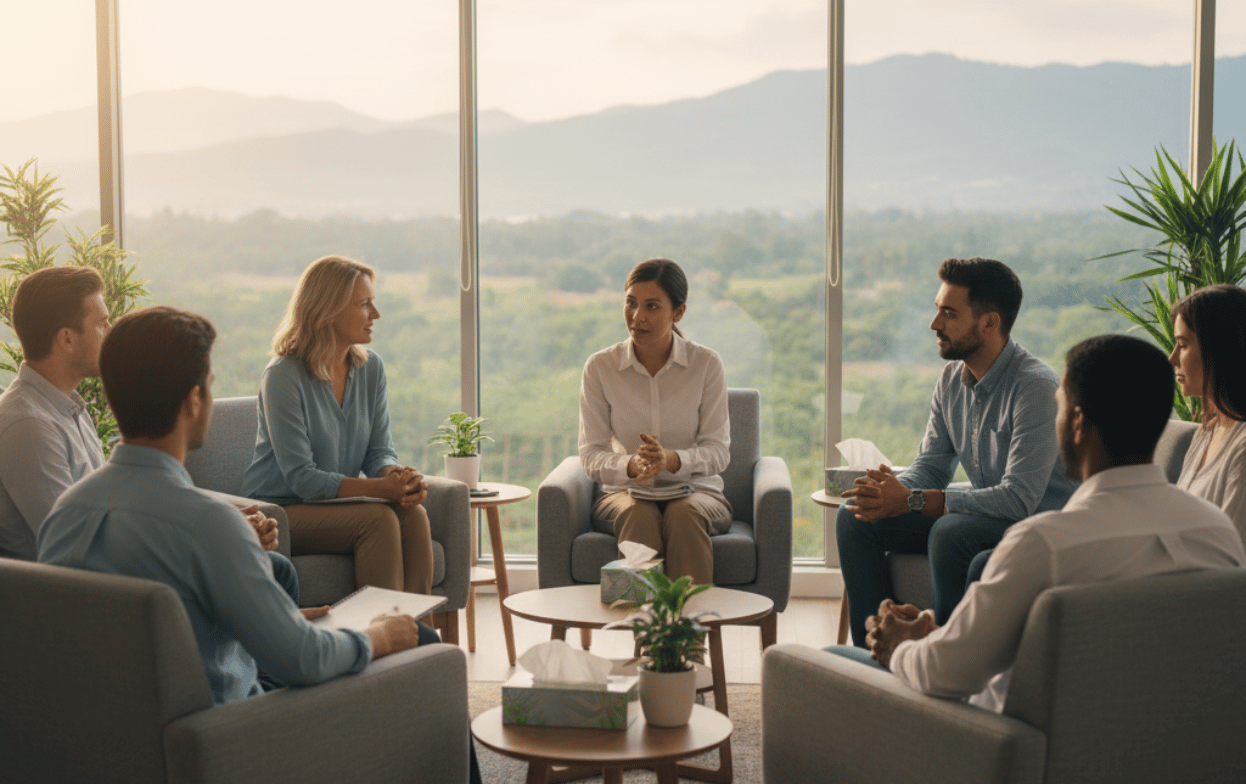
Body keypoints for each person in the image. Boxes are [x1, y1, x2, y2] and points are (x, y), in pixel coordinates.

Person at [36, 306, 433, 703]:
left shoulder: (66, 514)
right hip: (231, 732)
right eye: (210, 384)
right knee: (421, 640)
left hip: (129, 728)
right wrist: (377, 636)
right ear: (194, 401)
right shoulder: (208, 524)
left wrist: (286, 623)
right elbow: (303, 662)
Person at [837, 334, 1245, 711]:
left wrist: (901, 646)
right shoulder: (1218, 534)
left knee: (833, 662)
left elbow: (946, 677)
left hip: (1001, 746)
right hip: (1164, 745)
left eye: (1059, 404)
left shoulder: (1045, 547)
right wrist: (936, 639)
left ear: (1079, 423)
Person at [0, 267, 299, 601]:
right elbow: (76, 548)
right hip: (76, 599)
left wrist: (220, 524)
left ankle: (271, 640)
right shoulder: (27, 426)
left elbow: (115, 508)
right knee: (275, 571)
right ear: (67, 339)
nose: (111, 333)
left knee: (271, 567)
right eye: (102, 323)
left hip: (114, 576)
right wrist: (207, 540)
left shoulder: (66, 408)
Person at [836, 257, 1076, 646]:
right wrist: (888, 491)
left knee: (951, 532)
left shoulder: (1035, 389)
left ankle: (939, 658)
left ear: (989, 322)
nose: (935, 324)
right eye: (937, 310)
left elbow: (1018, 500)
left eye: (949, 313)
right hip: (985, 513)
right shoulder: (951, 378)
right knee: (855, 517)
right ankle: (876, 654)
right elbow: (931, 467)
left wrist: (912, 500)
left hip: (1036, 524)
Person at [241, 255, 435, 596]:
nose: (376, 315)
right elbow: (302, 479)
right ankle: (381, 637)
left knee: (413, 514)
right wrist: (379, 491)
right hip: (282, 510)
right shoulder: (283, 376)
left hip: (332, 505)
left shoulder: (370, 368)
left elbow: (378, 451)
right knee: (377, 520)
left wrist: (395, 477)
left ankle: (417, 636)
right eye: (365, 304)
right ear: (328, 311)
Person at [579, 258, 731, 585]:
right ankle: (645, 633)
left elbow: (718, 451)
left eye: (651, 306)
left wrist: (672, 460)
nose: (637, 316)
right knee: (639, 513)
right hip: (625, 493)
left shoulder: (706, 364)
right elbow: (590, 455)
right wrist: (631, 465)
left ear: (678, 313)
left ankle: (687, 632)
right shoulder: (600, 367)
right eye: (631, 303)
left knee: (683, 514)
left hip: (698, 493)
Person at [1171, 284, 1246, 542]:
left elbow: (1233, 557)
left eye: (1182, 344)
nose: (1172, 359)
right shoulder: (1211, 427)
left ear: (1219, 348)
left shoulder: (1243, 449)